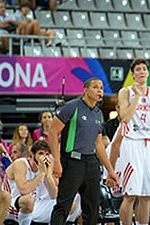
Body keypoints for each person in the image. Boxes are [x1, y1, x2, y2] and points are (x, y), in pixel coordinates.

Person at [48, 77, 119, 225]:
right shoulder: (72, 106)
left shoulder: (98, 113)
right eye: (95, 87)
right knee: (64, 205)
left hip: (91, 162)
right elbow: (52, 132)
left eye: (101, 87)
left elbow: (99, 145)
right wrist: (56, 161)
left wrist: (110, 170)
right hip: (72, 162)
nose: (100, 90)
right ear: (85, 90)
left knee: (93, 208)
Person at [109, 58, 150, 225]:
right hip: (131, 142)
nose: (142, 71)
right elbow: (125, 118)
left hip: (149, 144)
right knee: (130, 194)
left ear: (148, 73)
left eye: (144, 69)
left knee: (146, 195)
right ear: (133, 74)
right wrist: (137, 97)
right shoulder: (125, 92)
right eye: (138, 69)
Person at [3, 140, 81, 224]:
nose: (44, 157)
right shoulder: (21, 164)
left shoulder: (47, 167)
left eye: (47, 154)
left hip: (35, 205)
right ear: (32, 155)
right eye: (40, 153)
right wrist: (41, 173)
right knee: (28, 200)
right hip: (11, 205)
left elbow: (54, 195)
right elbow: (23, 190)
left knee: (70, 203)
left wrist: (48, 174)